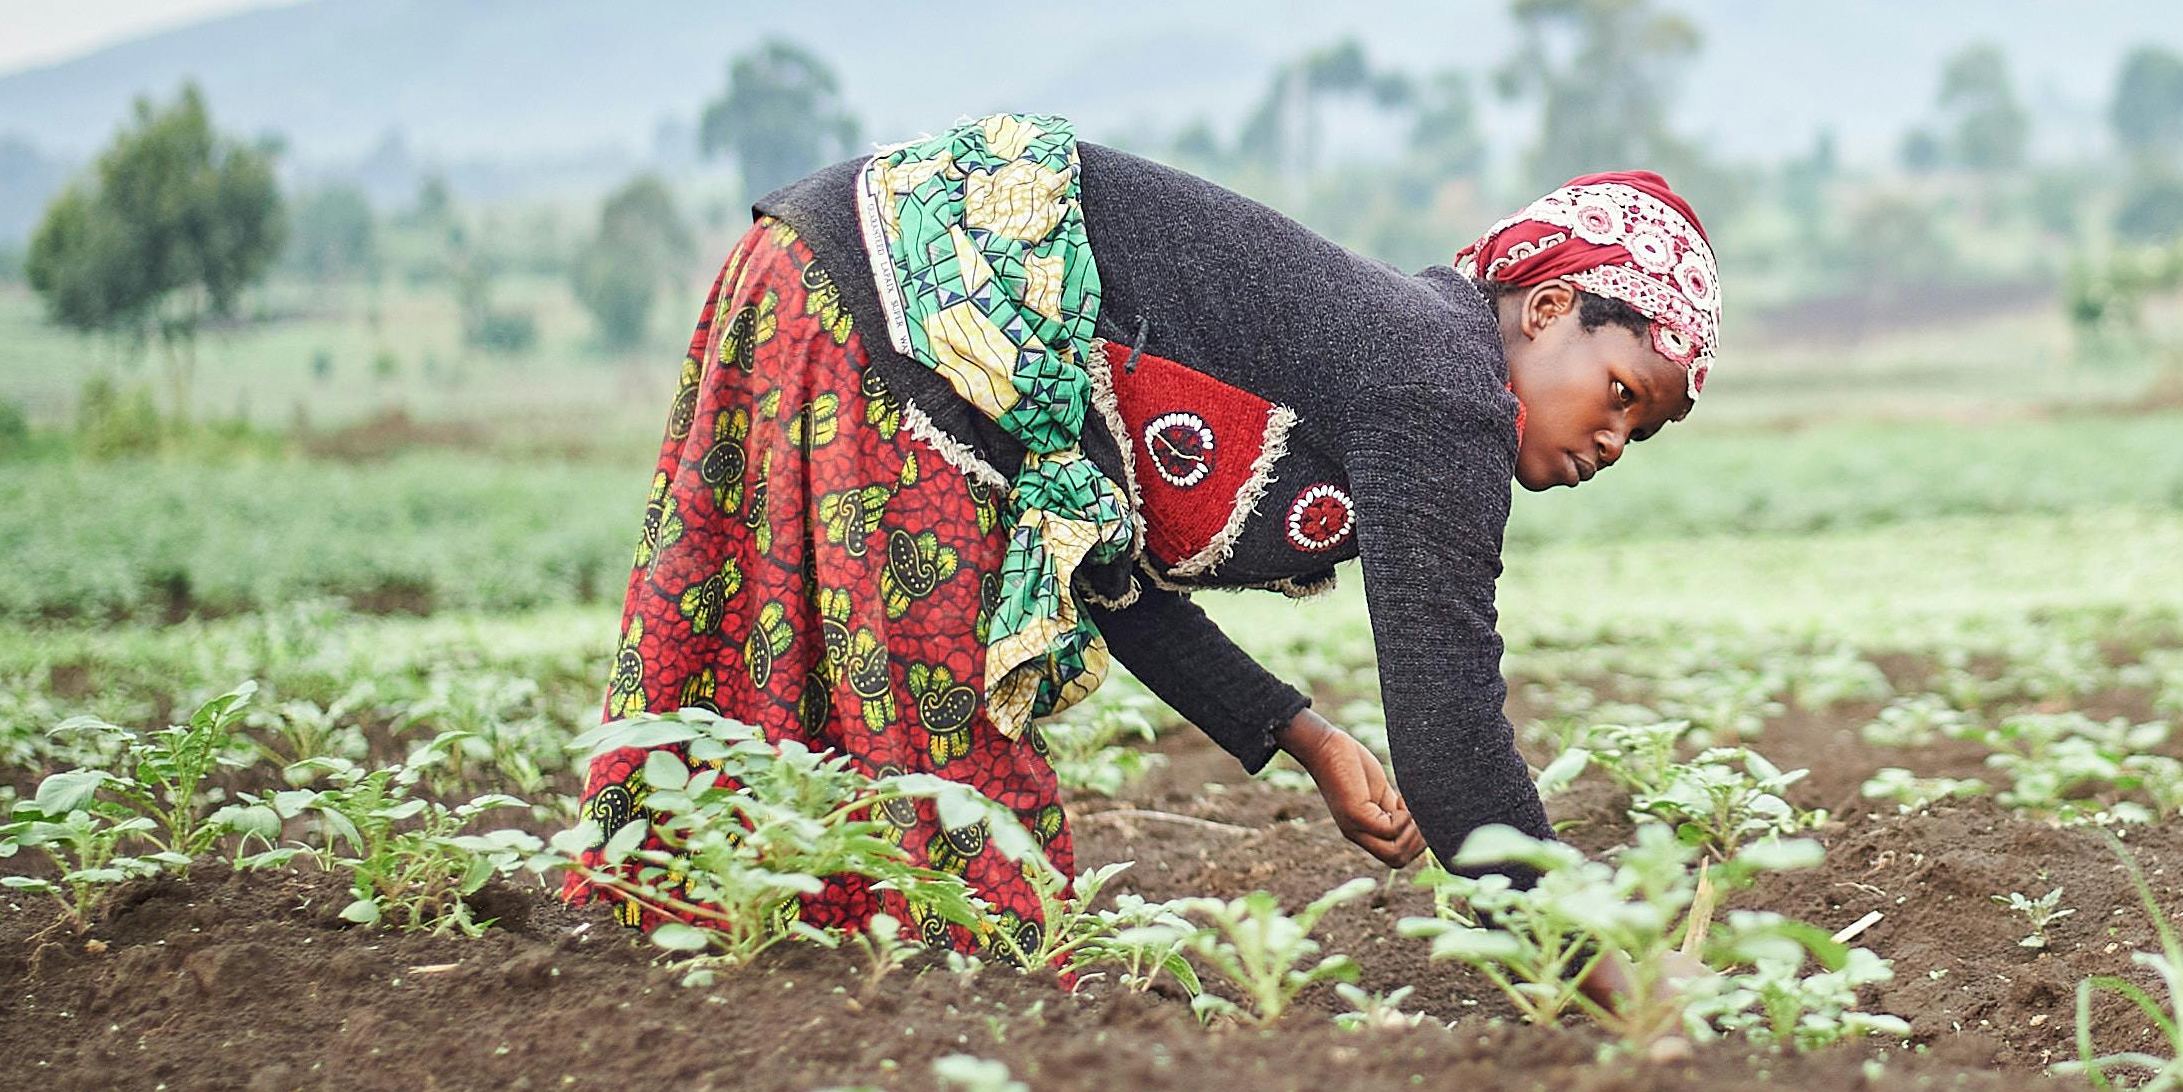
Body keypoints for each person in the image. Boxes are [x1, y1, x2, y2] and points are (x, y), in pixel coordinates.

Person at [570, 110, 1713, 938]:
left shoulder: (1401, 363)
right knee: (964, 852)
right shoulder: (1446, 388)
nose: (1613, 439)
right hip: (909, 305)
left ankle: (738, 966)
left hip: (817, 270)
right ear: (1549, 305)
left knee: (811, 731)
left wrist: (1301, 738)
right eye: (1620, 392)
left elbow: (1100, 558)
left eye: (1641, 432)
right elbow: (1455, 755)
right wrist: (1614, 971)